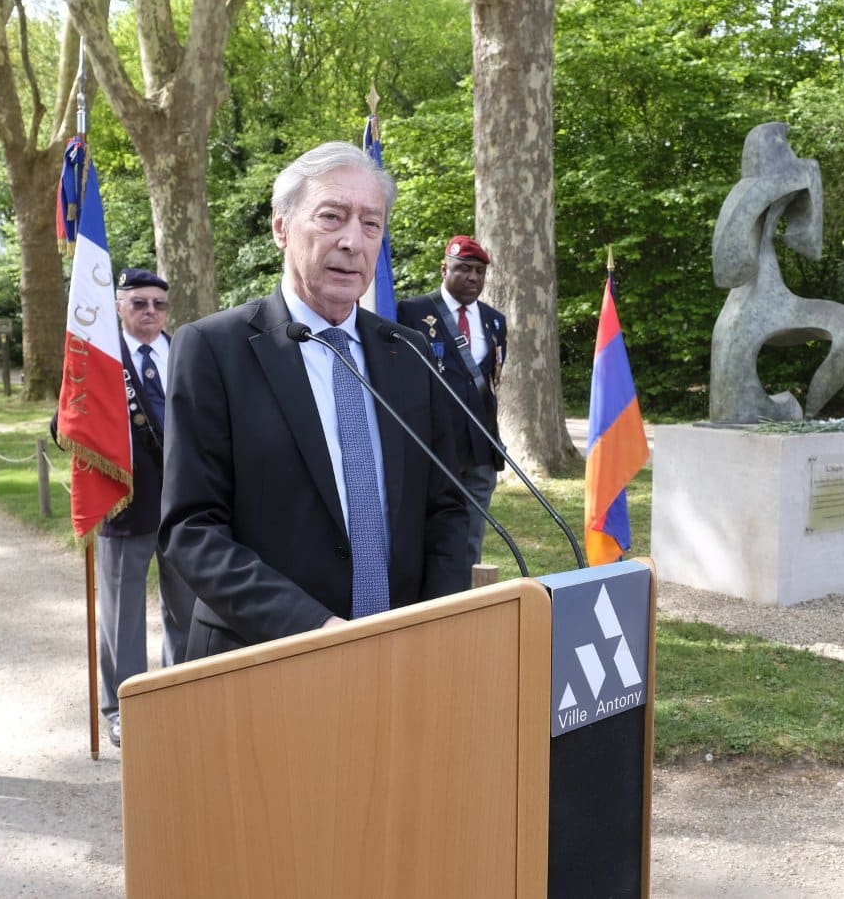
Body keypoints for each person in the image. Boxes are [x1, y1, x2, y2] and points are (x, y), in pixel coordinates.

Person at [160, 141, 470, 660]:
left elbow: (446, 508)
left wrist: (430, 627)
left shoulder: (408, 350)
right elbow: (191, 530)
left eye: (371, 224)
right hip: (261, 661)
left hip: (403, 659)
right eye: (332, 217)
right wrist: (314, 628)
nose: (353, 241)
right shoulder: (212, 349)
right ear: (281, 227)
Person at [52, 268, 196, 749]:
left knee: (187, 609)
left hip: (185, 507)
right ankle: (121, 706)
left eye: (158, 303)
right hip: (124, 503)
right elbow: (63, 425)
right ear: (118, 307)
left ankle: (178, 692)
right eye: (139, 303)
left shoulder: (187, 351)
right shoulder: (99, 359)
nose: (150, 312)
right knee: (122, 617)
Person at [396, 236, 508, 565]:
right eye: (464, 269)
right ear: (445, 269)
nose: (473, 277)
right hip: (433, 441)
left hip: (480, 445)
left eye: (479, 271)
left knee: (472, 536)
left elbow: (489, 381)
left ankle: (468, 588)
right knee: (430, 530)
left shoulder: (494, 320)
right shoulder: (412, 312)